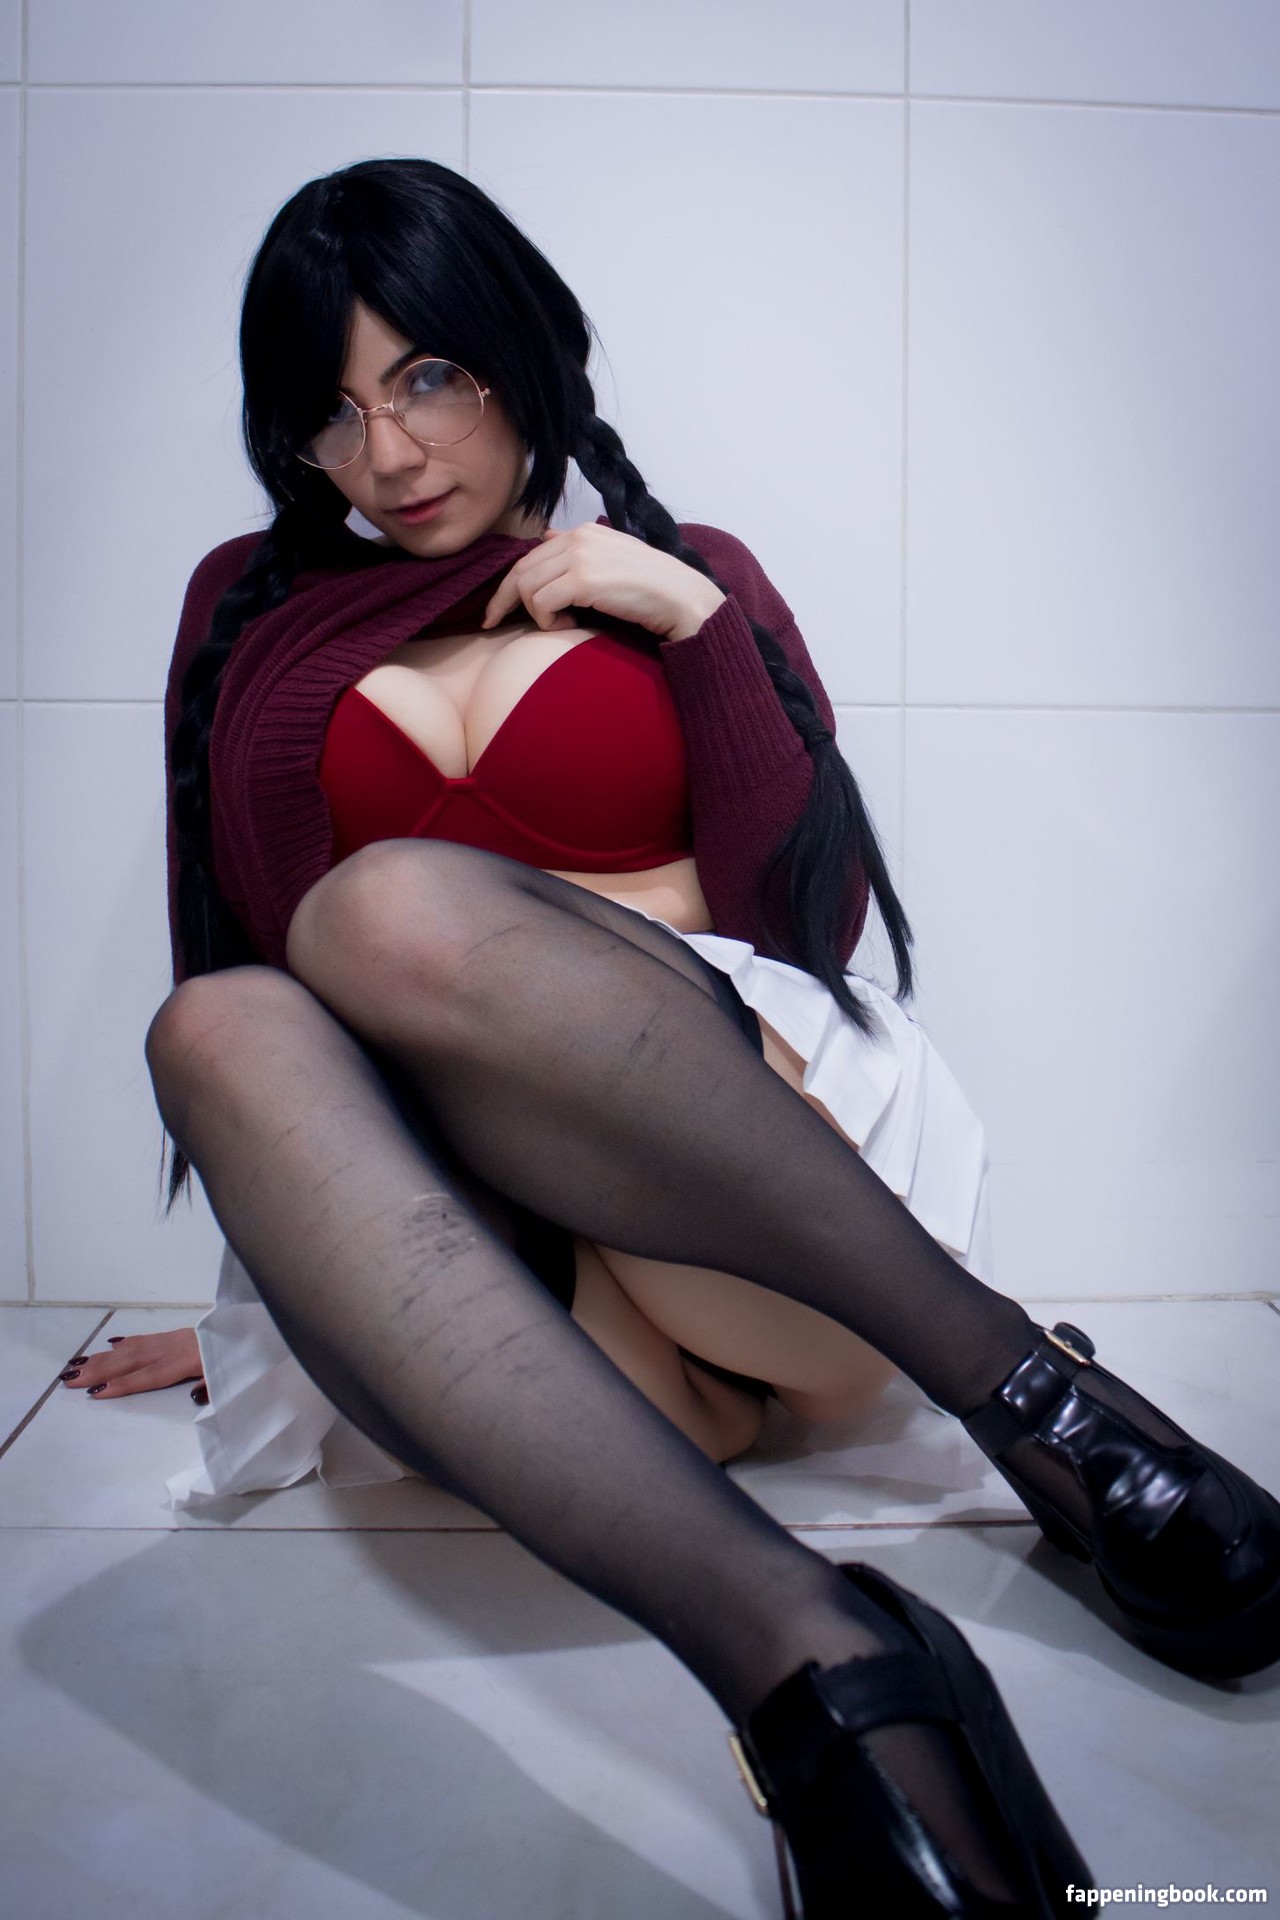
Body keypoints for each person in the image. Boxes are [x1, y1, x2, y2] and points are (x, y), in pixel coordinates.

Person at [65, 158, 1280, 1916]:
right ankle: (822, 1663)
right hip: (514, 1282)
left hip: (769, 1220)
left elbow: (812, 928)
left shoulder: (688, 573)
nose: (387, 455)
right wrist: (277, 1288)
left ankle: (1035, 1398)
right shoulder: (245, 608)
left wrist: (697, 631)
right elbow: (243, 941)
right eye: (330, 412)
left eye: (428, 377)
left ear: (521, 351)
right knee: (217, 1024)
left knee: (385, 910)